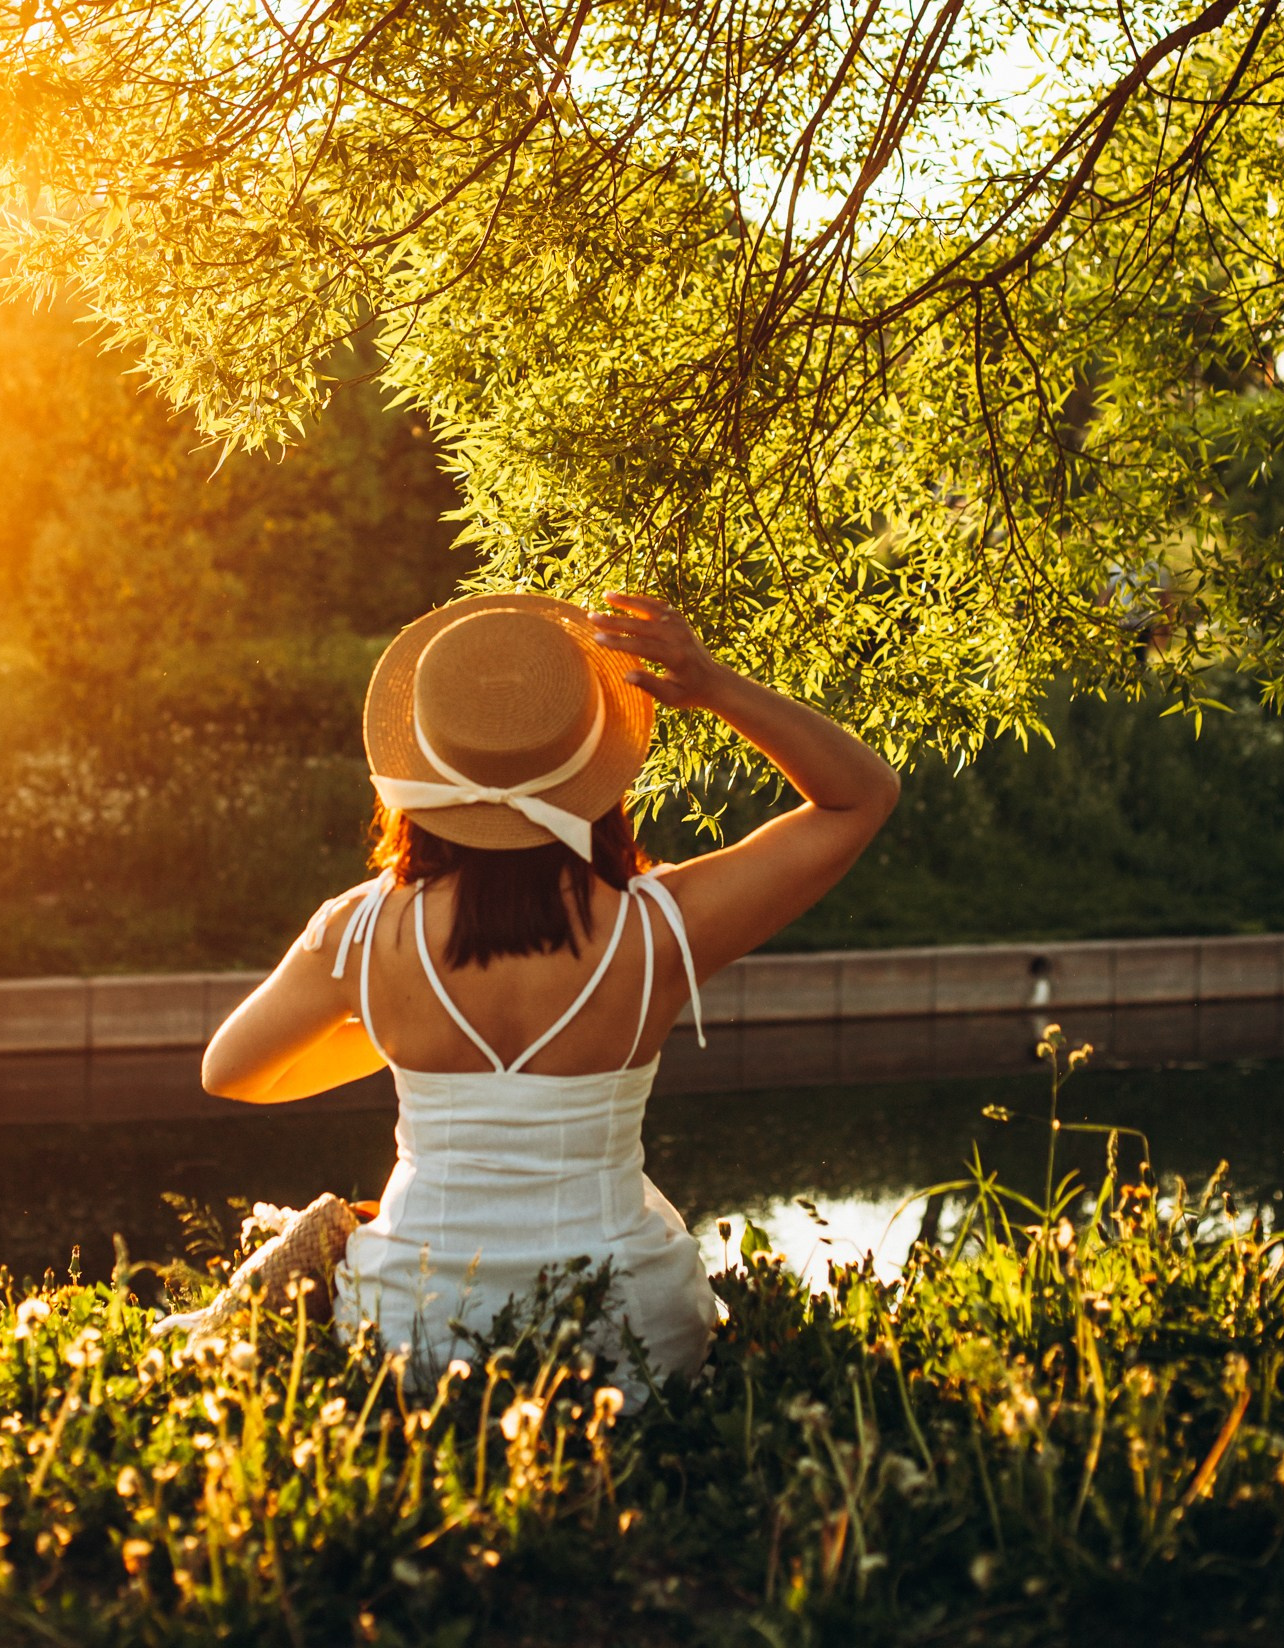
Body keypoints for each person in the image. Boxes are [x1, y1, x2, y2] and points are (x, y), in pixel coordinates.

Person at [202, 590, 899, 1389]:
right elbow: (861, 796)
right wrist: (711, 684)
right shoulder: (664, 927)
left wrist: (398, 1032)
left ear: (423, 767)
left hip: (414, 1333)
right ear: (598, 770)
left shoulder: (359, 933)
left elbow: (231, 1071)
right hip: (627, 1336)